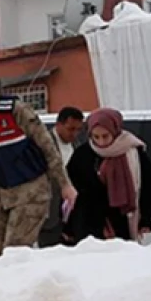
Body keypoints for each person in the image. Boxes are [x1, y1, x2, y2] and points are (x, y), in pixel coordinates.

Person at [0, 64, 77, 256]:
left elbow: (49, 150)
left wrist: (65, 185)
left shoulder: (17, 111)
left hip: (30, 193)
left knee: (14, 253)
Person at [63, 107, 151, 244]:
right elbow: (71, 193)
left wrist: (146, 218)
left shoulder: (133, 153)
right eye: (96, 137)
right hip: (88, 221)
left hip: (120, 220)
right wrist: (69, 226)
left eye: (105, 136)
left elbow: (147, 186)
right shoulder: (82, 155)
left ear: (115, 131)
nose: (101, 142)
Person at [38, 106, 85, 247]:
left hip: (70, 214)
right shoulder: (43, 144)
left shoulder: (77, 146)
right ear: (59, 124)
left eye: (78, 130)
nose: (75, 134)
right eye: (71, 129)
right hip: (48, 212)